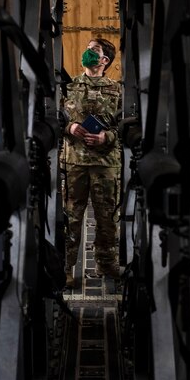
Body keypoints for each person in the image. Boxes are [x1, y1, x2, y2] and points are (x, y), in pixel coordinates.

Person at [62, 38, 122, 287]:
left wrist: (105, 137)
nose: (87, 52)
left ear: (104, 60)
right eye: (87, 48)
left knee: (106, 216)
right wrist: (70, 126)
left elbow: (126, 126)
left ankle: (106, 265)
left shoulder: (118, 90)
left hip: (105, 162)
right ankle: (66, 268)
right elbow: (56, 118)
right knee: (71, 217)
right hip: (76, 161)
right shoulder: (69, 87)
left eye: (93, 50)